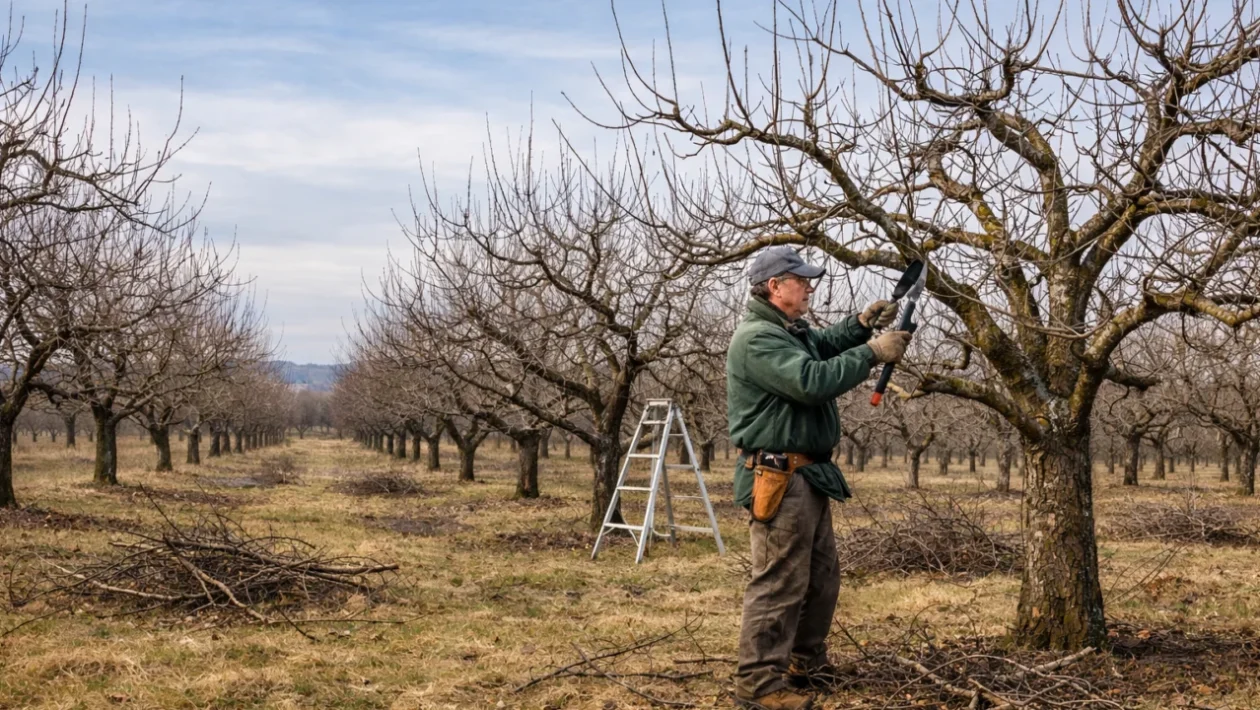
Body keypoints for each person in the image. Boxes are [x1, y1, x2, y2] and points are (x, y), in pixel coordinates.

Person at [726, 246, 912, 710]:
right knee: (779, 584)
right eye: (801, 279)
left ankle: (804, 663)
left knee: (821, 579)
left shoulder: (788, 330)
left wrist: (860, 325)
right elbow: (811, 379)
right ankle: (759, 687)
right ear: (775, 287)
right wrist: (871, 353)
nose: (809, 286)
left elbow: (821, 347)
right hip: (778, 475)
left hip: (807, 474)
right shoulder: (757, 338)